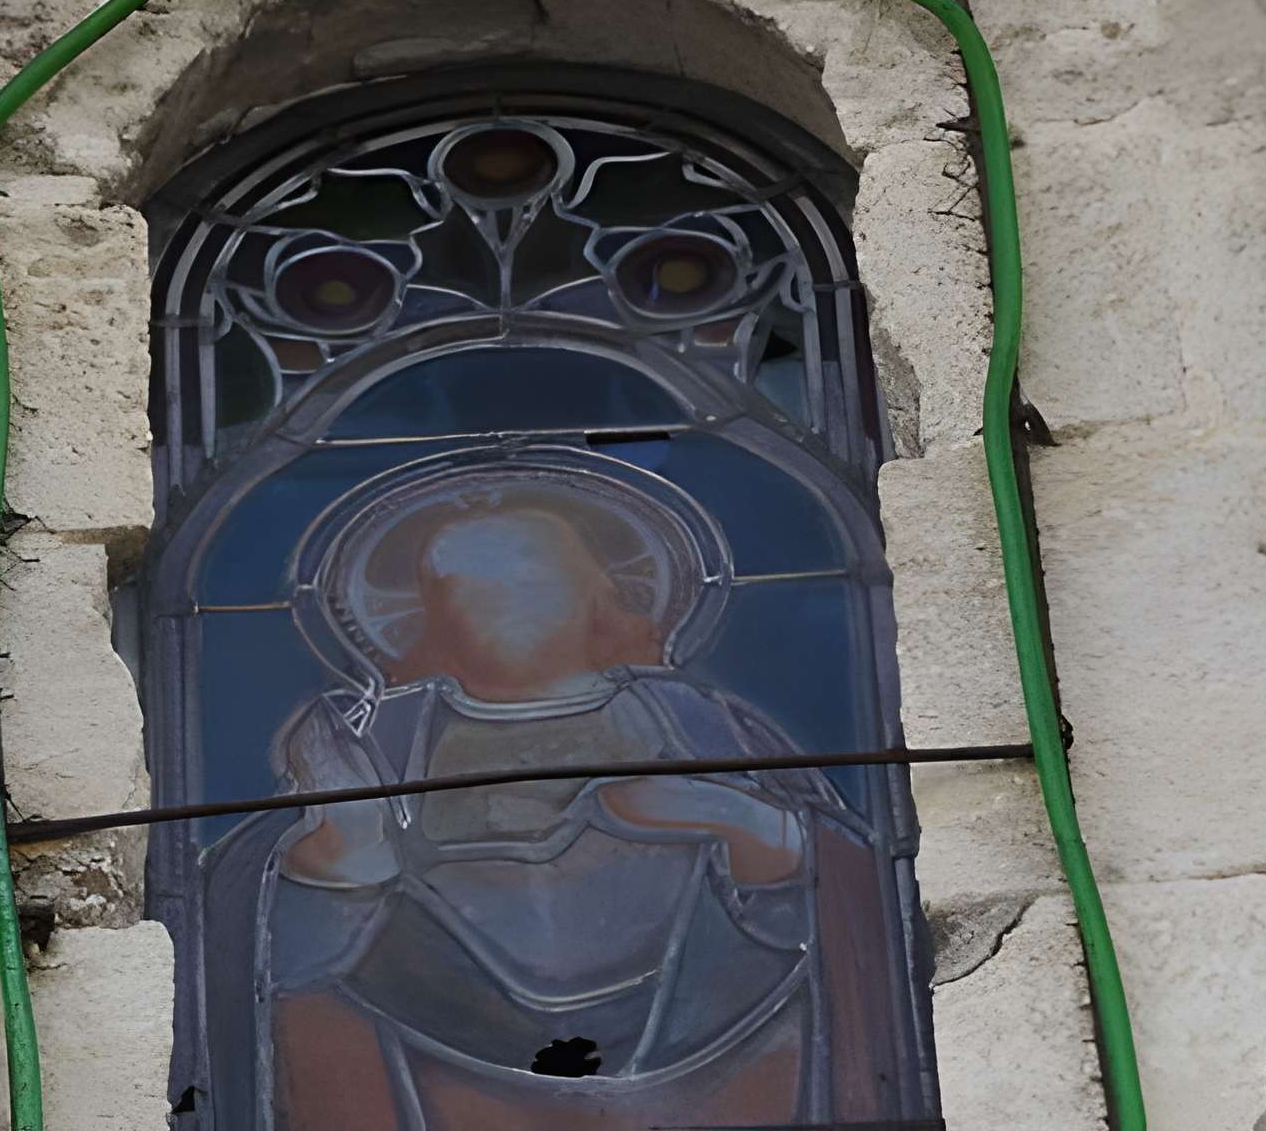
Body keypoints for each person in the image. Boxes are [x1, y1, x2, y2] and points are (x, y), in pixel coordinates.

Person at [196, 468, 916, 1127]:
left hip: (714, 1057)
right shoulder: (378, 740)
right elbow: (268, 931)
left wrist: (739, 822)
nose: (503, 600)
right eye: (464, 584)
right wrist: (335, 860)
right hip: (432, 1058)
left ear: (600, 592)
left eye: (532, 575)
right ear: (425, 614)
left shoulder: (698, 723)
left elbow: (836, 889)